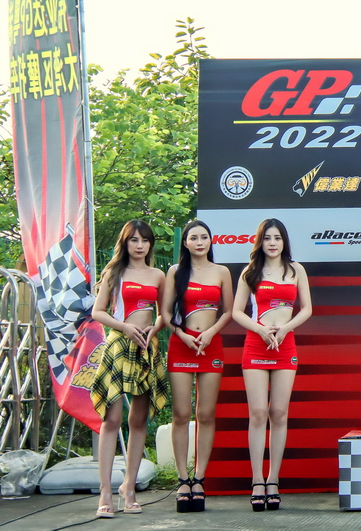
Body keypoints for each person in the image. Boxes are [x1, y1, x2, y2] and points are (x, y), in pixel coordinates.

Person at [231, 219, 313, 512]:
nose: (273, 243)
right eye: (267, 238)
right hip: (256, 344)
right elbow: (236, 312)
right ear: (260, 242)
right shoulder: (250, 272)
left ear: (284, 241)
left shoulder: (296, 270)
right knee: (258, 413)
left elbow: (307, 309)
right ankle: (257, 481)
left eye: (277, 238)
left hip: (285, 346)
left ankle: (273, 480)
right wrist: (261, 330)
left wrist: (285, 329)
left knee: (278, 413)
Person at [89, 219, 168, 518]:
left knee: (138, 420)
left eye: (145, 240)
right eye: (134, 240)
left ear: (150, 245)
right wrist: (124, 327)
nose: (140, 245)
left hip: (146, 348)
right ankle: (105, 492)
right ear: (125, 243)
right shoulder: (115, 272)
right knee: (111, 419)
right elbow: (98, 312)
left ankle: (129, 488)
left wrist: (153, 329)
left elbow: (164, 314)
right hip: (119, 345)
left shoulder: (158, 275)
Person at [159, 219, 234, 513]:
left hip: (210, 345)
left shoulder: (222, 272)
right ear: (185, 243)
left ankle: (200, 479)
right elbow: (165, 313)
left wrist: (210, 333)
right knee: (181, 414)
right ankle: (182, 480)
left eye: (204, 237)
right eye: (194, 238)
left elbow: (229, 311)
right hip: (182, 344)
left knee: (205, 414)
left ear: (210, 241)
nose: (200, 242)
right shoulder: (175, 271)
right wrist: (182, 336)